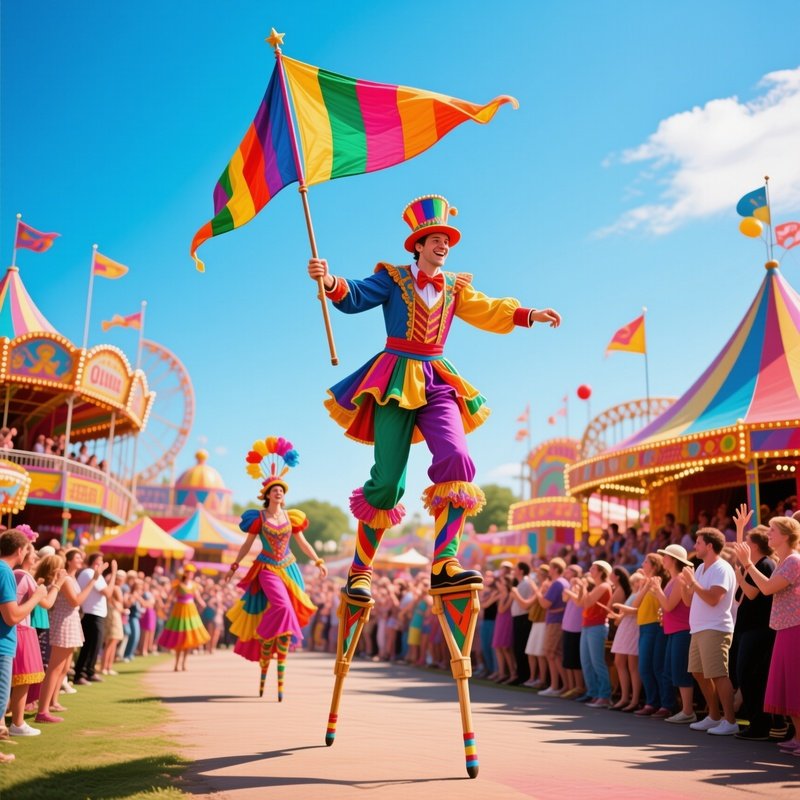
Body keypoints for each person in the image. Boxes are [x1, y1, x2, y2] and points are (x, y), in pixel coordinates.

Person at [308, 195, 561, 599]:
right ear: (418, 246)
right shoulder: (393, 278)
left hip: (437, 379)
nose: (443, 245)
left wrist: (529, 314)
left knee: (457, 458)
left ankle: (445, 562)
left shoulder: (455, 286)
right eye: (435, 240)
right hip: (392, 379)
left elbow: (489, 309)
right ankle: (360, 568)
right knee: (388, 483)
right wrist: (329, 280)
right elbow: (354, 296)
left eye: (447, 240)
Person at [225, 438, 327, 695]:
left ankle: (275, 648)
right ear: (267, 495)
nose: (278, 492)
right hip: (267, 568)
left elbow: (303, 543)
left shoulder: (293, 517)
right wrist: (235, 564)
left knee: (291, 609)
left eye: (281, 489)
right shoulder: (257, 518)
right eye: (274, 490)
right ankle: (264, 634)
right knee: (281, 606)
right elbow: (248, 544)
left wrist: (317, 560)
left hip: (290, 568)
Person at [732, 511, 800, 754]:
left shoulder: (792, 561)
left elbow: (767, 588)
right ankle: (797, 737)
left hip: (793, 627)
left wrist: (748, 564)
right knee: (788, 684)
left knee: (793, 684)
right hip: (783, 626)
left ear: (785, 535)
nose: (768, 533)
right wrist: (741, 532)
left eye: (773, 530)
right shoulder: (784, 561)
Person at [680, 527, 738, 735]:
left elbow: (714, 599)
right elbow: (688, 601)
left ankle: (730, 721)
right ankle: (714, 716)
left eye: (698, 543)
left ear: (710, 546)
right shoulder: (700, 568)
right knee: (698, 672)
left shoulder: (722, 568)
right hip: (699, 628)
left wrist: (692, 583)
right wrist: (686, 585)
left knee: (719, 674)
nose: (694, 546)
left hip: (715, 627)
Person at [36, 549, 102, 724]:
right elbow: (76, 601)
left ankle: (52, 702)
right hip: (63, 621)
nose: (81, 559)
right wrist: (93, 580)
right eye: (77, 557)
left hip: (69, 620)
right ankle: (42, 710)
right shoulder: (64, 579)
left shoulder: (68, 579)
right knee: (55, 668)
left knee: (64, 668)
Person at [0, 529, 49, 761]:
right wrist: (38, 596)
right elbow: (12, 616)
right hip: (3, 643)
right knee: (1, 698)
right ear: (20, 551)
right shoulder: (6, 572)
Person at [651, 543, 695, 724]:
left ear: (674, 560)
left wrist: (657, 590)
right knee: (670, 671)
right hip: (673, 630)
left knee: (679, 672)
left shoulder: (679, 579)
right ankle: (681, 708)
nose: (663, 558)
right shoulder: (672, 579)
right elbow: (668, 607)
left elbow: (668, 604)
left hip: (682, 630)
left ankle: (687, 710)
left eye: (666, 555)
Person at [73, 553, 117, 685]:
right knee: (89, 646)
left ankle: (89, 671)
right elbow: (108, 592)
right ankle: (80, 673)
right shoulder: (89, 572)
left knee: (95, 645)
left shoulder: (95, 574)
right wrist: (114, 573)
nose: (102, 563)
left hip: (97, 613)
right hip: (91, 613)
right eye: (100, 560)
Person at [158, 565, 209, 671]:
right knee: (179, 638)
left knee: (188, 637)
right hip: (180, 612)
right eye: (189, 572)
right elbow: (171, 596)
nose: (191, 574)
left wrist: (202, 603)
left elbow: (198, 597)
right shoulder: (178, 584)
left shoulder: (194, 585)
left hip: (191, 611)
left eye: (192, 573)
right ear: (185, 573)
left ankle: (184, 663)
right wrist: (166, 605)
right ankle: (176, 664)